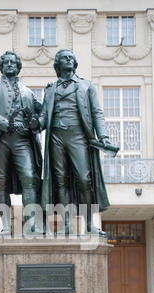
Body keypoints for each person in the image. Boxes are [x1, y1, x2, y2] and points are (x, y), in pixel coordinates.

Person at [38, 48, 113, 235]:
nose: (69, 59)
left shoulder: (87, 86)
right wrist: (33, 124)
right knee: (60, 180)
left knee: (84, 179)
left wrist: (103, 135)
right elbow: (43, 117)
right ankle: (65, 225)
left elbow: (97, 112)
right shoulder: (50, 89)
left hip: (78, 135)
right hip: (56, 136)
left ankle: (88, 224)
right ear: (58, 64)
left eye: (72, 57)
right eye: (65, 58)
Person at [0, 51, 42, 236]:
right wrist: (7, 123)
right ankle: (6, 226)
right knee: (1, 183)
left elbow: (41, 114)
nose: (9, 64)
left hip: (22, 141)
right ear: (1, 66)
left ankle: (31, 223)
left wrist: (36, 120)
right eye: (6, 62)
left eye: (13, 62)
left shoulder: (28, 92)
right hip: (1, 139)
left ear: (18, 67)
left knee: (29, 178)